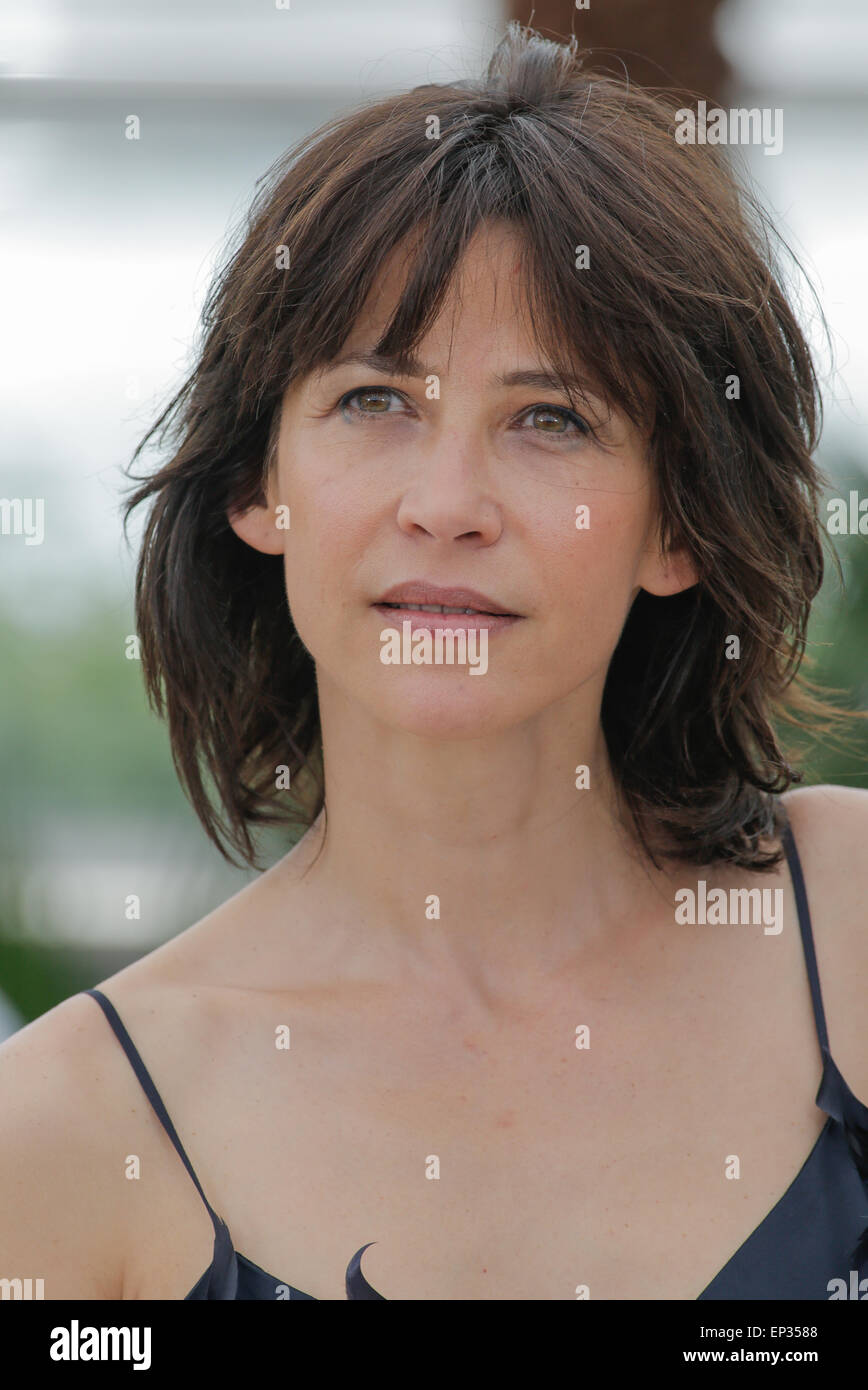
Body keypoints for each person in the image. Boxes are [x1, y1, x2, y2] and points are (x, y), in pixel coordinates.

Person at [1, 23, 867, 1302]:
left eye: (550, 419)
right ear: (258, 483)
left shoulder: (846, 923)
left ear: (677, 525)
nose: (447, 502)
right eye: (374, 402)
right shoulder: (66, 1129)